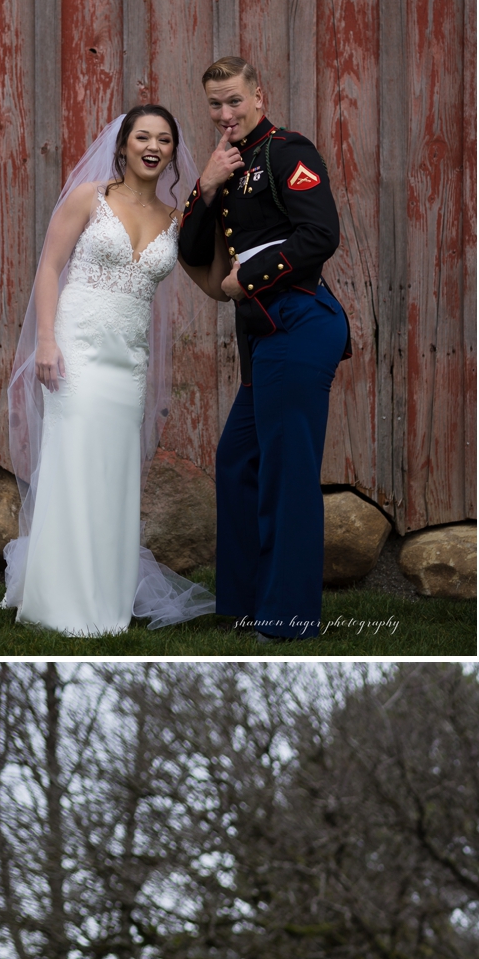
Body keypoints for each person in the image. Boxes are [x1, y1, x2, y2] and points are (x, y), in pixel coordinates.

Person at [2, 106, 216, 635]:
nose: (153, 145)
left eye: (164, 139)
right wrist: (46, 341)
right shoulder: (89, 197)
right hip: (76, 347)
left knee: (114, 475)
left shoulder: (174, 219)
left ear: (171, 153)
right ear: (122, 146)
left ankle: (105, 596)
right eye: (142, 136)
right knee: (73, 466)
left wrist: (255, 268)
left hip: (128, 363)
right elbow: (50, 267)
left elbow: (214, 283)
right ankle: (60, 599)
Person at [175, 56, 351, 640]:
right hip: (264, 337)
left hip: (299, 324)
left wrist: (243, 281)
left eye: (234, 101)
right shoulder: (230, 164)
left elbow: (320, 234)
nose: (225, 114)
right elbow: (191, 250)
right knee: (238, 460)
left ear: (259, 95)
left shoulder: (286, 152)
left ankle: (288, 617)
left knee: (285, 473)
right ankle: (248, 601)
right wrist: (206, 183)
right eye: (215, 105)